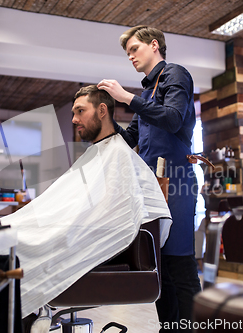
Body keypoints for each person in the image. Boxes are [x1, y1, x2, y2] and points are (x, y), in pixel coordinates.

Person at [0, 85, 172, 317]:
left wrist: (57, 226)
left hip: (88, 239)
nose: (73, 119)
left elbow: (112, 215)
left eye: (80, 111)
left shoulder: (119, 154)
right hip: (73, 228)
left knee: (10, 242)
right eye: (73, 113)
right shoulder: (97, 152)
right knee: (2, 234)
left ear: (102, 110)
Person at [98, 25, 201, 332]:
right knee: (159, 269)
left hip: (177, 182)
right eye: (127, 53)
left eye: (134, 49)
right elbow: (130, 139)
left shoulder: (175, 75)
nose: (130, 56)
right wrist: (102, 120)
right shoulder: (145, 95)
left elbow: (171, 118)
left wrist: (126, 98)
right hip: (151, 187)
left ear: (154, 45)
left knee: (180, 264)